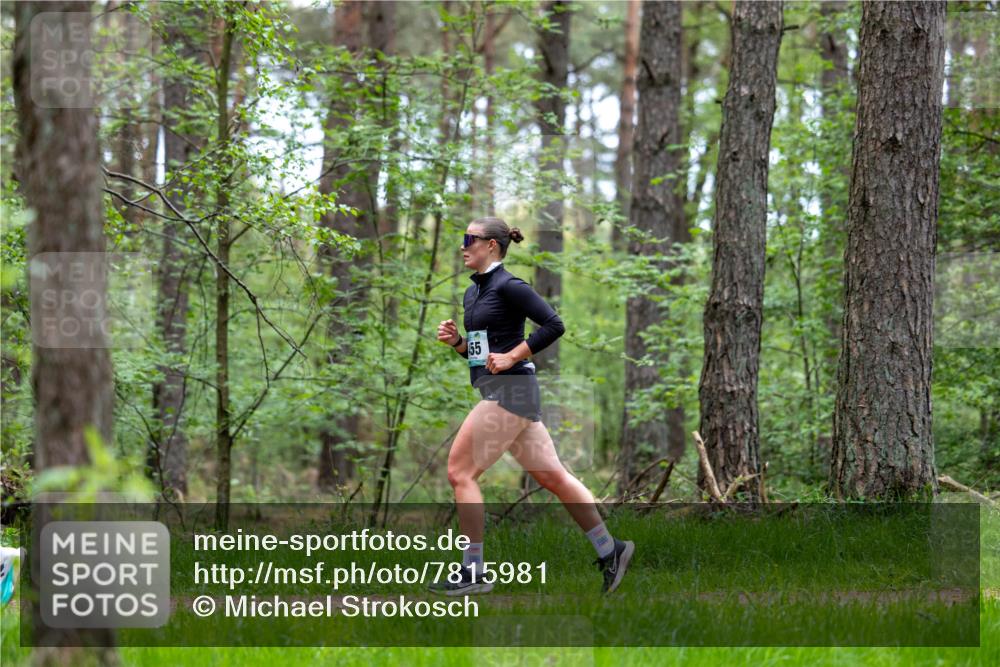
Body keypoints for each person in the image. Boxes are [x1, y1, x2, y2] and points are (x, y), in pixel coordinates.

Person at [429, 216, 634, 596]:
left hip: (512, 391)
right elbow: (479, 355)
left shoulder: (510, 285)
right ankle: (612, 549)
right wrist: (458, 342)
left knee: (460, 472)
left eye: (469, 238)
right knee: (552, 478)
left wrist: (512, 356)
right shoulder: (473, 293)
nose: (463, 246)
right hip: (503, 390)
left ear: (492, 245)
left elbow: (554, 325)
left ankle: (473, 573)